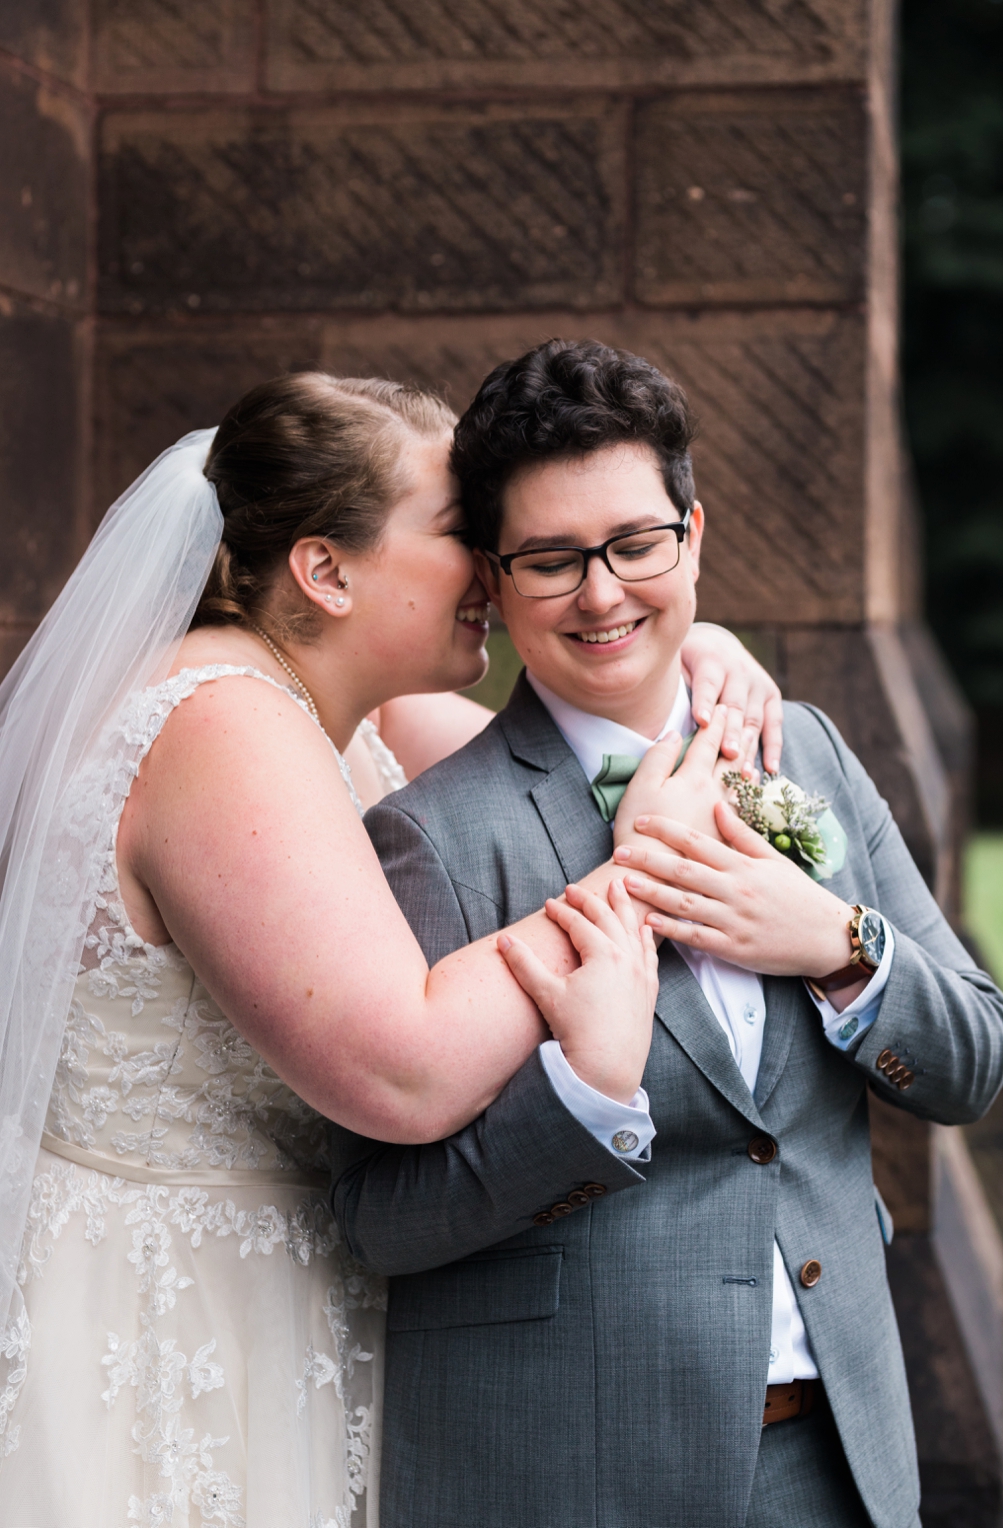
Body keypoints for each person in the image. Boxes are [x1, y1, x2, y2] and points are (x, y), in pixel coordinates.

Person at [0, 372, 786, 1526]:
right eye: (463, 532)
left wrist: (691, 640)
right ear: (325, 570)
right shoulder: (224, 721)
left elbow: (569, 774)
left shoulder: (349, 706)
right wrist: (640, 872)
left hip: (291, 1293)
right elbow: (401, 1068)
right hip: (164, 1309)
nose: (494, 566)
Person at [327, 339, 1003, 1528]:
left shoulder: (807, 755)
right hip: (577, 1472)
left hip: (843, 1460)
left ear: (693, 535)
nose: (602, 593)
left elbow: (978, 1062)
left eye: (634, 543)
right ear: (493, 582)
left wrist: (840, 943)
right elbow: (379, 1222)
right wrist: (583, 1103)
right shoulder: (430, 839)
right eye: (551, 560)